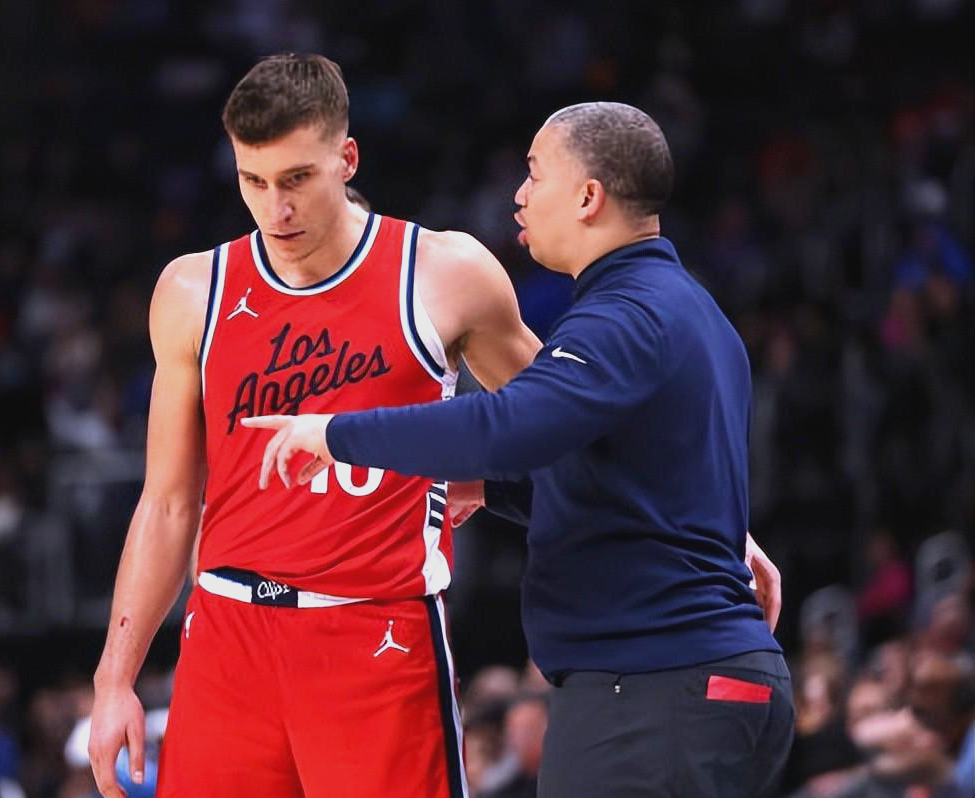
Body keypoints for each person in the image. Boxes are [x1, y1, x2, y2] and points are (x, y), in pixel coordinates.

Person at [244, 102, 796, 797]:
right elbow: (628, 490)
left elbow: (506, 426)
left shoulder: (625, 317)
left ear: (589, 197)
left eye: (535, 174)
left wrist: (335, 432)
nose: (519, 194)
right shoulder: (693, 310)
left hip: (651, 691)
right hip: (707, 682)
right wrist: (497, 489)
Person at [87, 53, 545, 798]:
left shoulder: (442, 273)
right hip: (227, 636)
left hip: (377, 634)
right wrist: (114, 681)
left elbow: (568, 420)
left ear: (347, 159)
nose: (277, 209)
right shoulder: (192, 290)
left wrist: (705, 525)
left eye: (297, 178)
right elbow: (168, 503)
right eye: (254, 182)